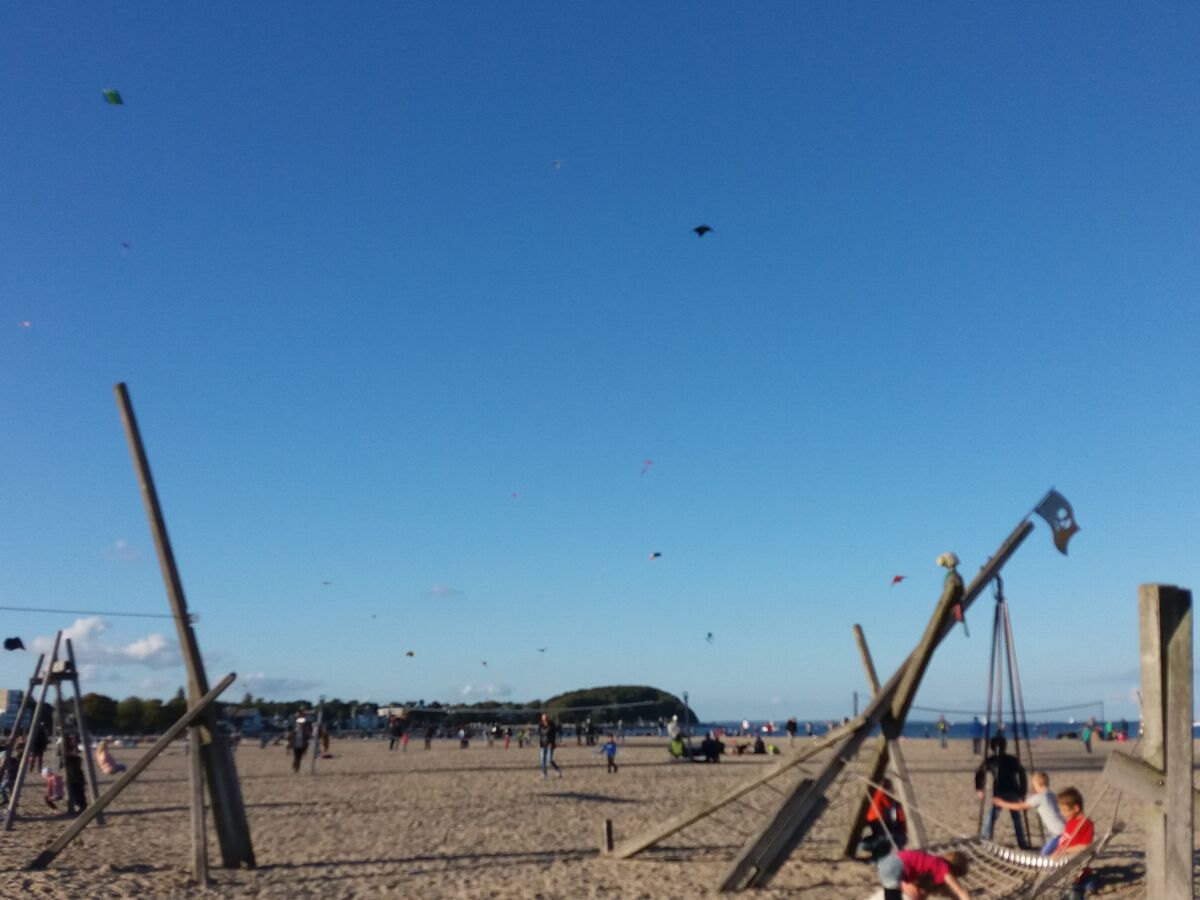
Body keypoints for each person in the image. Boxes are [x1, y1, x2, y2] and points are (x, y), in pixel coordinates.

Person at [991, 771, 1064, 854]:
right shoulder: (1052, 794)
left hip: (1058, 833)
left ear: (1038, 785)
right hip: (1063, 829)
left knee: (1045, 853)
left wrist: (1001, 803)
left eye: (1034, 785)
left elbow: (1020, 807)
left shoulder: (1039, 797)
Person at [975, 735, 1028, 848]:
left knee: (993, 816)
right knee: (1014, 817)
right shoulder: (1010, 759)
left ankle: (984, 838)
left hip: (1002, 791)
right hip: (1011, 791)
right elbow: (1022, 775)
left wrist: (979, 788)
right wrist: (1022, 792)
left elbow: (979, 774)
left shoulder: (992, 760)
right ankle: (1021, 841)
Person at [1051, 787, 1096, 899]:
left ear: (1076, 808)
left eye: (1064, 810)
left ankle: (1088, 883)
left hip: (1074, 863)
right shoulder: (1071, 821)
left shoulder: (1085, 823)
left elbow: (1085, 847)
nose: (1062, 813)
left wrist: (1065, 850)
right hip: (1063, 861)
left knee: (1075, 887)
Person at [877, 848, 970, 900]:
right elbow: (961, 892)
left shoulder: (934, 863)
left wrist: (955, 897)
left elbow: (946, 892)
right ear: (955, 869)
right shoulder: (944, 869)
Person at [859, 778, 907, 859]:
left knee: (882, 838)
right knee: (879, 839)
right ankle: (879, 855)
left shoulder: (874, 796)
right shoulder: (879, 795)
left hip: (880, 826)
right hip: (879, 825)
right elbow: (887, 804)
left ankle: (879, 855)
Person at [63, 735, 87, 815]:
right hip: (73, 775)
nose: (74, 741)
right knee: (75, 792)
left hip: (76, 775)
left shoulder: (75, 752)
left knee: (78, 792)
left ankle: (81, 807)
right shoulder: (68, 752)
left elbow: (75, 753)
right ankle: (79, 806)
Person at [538, 714, 562, 778]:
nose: (544, 719)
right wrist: (540, 743)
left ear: (548, 718)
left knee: (549, 760)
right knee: (542, 759)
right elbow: (540, 735)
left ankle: (558, 770)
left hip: (550, 745)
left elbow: (553, 735)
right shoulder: (540, 725)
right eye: (543, 718)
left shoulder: (552, 725)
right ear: (542, 719)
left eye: (546, 718)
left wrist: (552, 743)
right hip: (543, 744)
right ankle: (544, 774)